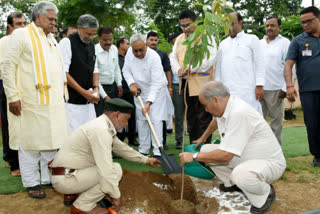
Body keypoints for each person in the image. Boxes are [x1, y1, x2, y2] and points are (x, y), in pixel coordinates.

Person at [180, 81, 286, 214]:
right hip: (246, 155)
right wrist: (202, 138)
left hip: (269, 162)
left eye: (205, 106)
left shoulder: (238, 112)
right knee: (206, 150)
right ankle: (233, 184)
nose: (206, 110)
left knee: (240, 175)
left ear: (215, 100)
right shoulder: (226, 106)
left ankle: (265, 194)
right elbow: (215, 121)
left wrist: (194, 156)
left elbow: (226, 155)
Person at [2, 1, 69, 199]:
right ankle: (31, 182)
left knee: (51, 142)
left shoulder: (51, 39)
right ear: (38, 17)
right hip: (29, 101)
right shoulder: (22, 34)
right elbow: (8, 68)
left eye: (55, 20)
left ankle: (49, 179)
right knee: (30, 145)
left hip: (52, 103)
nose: (53, 23)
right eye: (50, 19)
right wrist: (13, 97)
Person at [51, 98, 161, 214]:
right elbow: (106, 170)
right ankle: (83, 206)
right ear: (117, 115)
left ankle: (73, 194)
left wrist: (147, 160)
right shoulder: (102, 131)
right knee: (115, 170)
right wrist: (116, 196)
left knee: (108, 172)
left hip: (67, 173)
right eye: (126, 119)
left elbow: (122, 148)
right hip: (66, 179)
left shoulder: (102, 124)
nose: (126, 124)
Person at [170, 9, 217, 145]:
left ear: (196, 22)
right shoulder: (179, 39)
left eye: (188, 25)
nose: (186, 29)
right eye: (183, 26)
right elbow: (173, 58)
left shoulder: (206, 36)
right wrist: (178, 69)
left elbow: (211, 58)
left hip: (203, 83)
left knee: (203, 118)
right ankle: (193, 150)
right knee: (191, 119)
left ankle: (204, 150)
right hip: (186, 86)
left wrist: (191, 69)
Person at [123, 34, 174, 157]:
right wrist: (132, 83)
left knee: (155, 120)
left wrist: (149, 103)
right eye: (136, 50)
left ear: (146, 45)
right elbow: (126, 70)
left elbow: (156, 83)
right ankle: (143, 150)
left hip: (157, 92)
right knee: (141, 121)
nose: (139, 53)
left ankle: (158, 151)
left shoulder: (154, 57)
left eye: (141, 50)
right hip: (140, 92)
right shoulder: (129, 53)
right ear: (131, 48)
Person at [284, 6, 320, 167]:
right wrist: (290, 85)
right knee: (312, 123)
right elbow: (288, 65)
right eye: (302, 22)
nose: (305, 25)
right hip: (308, 90)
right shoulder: (298, 41)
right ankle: (317, 155)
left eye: (309, 21)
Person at [215, 12, 265, 114]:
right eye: (226, 24)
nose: (229, 27)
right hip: (227, 91)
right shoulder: (222, 44)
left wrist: (259, 85)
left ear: (240, 23)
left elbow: (259, 63)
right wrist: (218, 89)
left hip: (248, 91)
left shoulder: (252, 39)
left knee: (250, 118)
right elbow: (218, 69)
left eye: (232, 23)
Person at [60, 14, 99, 131]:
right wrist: (83, 92)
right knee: (73, 138)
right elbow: (64, 73)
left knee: (89, 135)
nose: (91, 37)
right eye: (88, 34)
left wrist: (96, 89)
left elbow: (95, 69)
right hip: (72, 103)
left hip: (89, 103)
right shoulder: (67, 43)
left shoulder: (91, 44)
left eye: (94, 34)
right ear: (80, 28)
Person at [0, 12, 26, 177]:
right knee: (10, 125)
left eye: (24, 23)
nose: (22, 27)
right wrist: (11, 92)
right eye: (18, 24)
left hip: (25, 87)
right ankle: (13, 163)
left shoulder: (26, 40)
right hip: (7, 87)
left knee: (24, 126)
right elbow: (4, 68)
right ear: (10, 26)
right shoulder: (4, 42)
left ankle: (24, 162)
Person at [260, 16, 291, 145]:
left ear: (279, 27)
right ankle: (260, 152)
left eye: (272, 25)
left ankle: (276, 155)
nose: (269, 28)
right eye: (267, 25)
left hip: (276, 89)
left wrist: (285, 88)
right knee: (258, 123)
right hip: (259, 88)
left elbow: (289, 66)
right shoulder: (259, 43)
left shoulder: (285, 42)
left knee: (276, 124)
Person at [146, 31, 173, 150]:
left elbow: (168, 71)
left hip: (160, 90)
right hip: (146, 90)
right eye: (151, 40)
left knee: (160, 117)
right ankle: (148, 143)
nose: (153, 42)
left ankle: (162, 143)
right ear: (147, 40)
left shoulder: (162, 54)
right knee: (146, 117)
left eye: (155, 40)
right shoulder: (142, 53)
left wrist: (170, 88)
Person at [94, 27, 123, 116]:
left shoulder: (114, 49)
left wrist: (119, 83)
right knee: (100, 117)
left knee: (113, 117)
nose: (108, 42)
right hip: (99, 89)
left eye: (111, 40)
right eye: (105, 40)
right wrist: (105, 96)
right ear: (99, 38)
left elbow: (116, 67)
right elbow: (95, 77)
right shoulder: (94, 51)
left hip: (112, 88)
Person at [116, 37, 139, 147]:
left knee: (132, 114)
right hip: (120, 91)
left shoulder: (130, 57)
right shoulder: (115, 57)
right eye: (127, 44)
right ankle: (120, 140)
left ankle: (132, 139)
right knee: (119, 115)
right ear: (120, 44)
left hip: (131, 90)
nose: (129, 46)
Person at [169, 32, 185, 149]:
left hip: (190, 83)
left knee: (192, 113)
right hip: (176, 86)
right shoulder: (171, 56)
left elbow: (205, 72)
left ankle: (194, 139)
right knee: (179, 114)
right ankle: (179, 140)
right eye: (174, 42)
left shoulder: (189, 53)